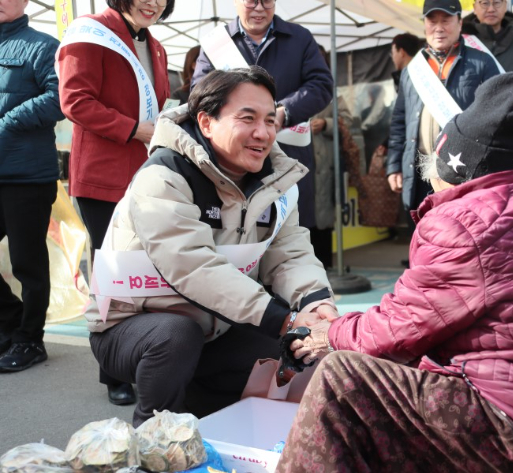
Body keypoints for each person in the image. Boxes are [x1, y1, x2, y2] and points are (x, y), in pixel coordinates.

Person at [277, 73, 513, 473]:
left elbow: (399, 328)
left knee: (342, 376)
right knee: (397, 371)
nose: (431, 183)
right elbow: (421, 321)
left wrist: (330, 334)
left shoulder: (467, 221)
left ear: (455, 164)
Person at [86, 67, 337, 426]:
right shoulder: (164, 177)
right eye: (247, 118)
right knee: (176, 335)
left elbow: (290, 255)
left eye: (270, 119)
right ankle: (153, 436)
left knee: (282, 354)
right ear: (205, 122)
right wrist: (286, 318)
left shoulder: (276, 181)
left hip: (215, 326)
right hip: (131, 327)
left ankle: (205, 418)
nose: (262, 133)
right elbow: (192, 266)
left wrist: (317, 304)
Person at [58, 0, 173, 406]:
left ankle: (142, 357)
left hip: (147, 177)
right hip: (104, 178)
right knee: (114, 272)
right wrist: (134, 129)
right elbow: (74, 101)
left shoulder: (156, 45)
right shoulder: (90, 32)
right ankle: (113, 372)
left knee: (148, 270)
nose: (153, 2)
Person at [191, 0, 333, 234]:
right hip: (231, 161)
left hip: (287, 155)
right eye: (251, 1)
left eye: (267, 1)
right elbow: (199, 93)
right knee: (235, 232)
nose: (259, 8)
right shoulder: (217, 42)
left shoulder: (299, 38)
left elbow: (322, 85)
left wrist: (283, 112)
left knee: (289, 233)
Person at [386, 0, 499, 229]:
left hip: (463, 172)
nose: (439, 27)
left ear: (459, 23)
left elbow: (495, 117)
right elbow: (399, 121)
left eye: (446, 20)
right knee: (423, 238)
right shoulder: (413, 70)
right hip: (419, 172)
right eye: (432, 20)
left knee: (462, 238)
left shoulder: (481, 63)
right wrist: (394, 166)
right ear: (424, 24)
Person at [0, 0, 64, 372]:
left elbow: (60, 99)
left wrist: (8, 121)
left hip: (26, 176)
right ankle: (12, 324)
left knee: (29, 264)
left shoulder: (43, 46)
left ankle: (30, 340)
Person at [310, 45, 355, 269]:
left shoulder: (332, 95)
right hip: (301, 165)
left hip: (327, 166)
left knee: (324, 221)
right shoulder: (289, 89)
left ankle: (325, 266)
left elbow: (349, 123)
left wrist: (327, 124)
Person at [462, 0, 513, 73]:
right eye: (485, 3)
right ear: (475, 8)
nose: (491, 9)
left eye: (497, 2)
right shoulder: (463, 41)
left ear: (505, 6)